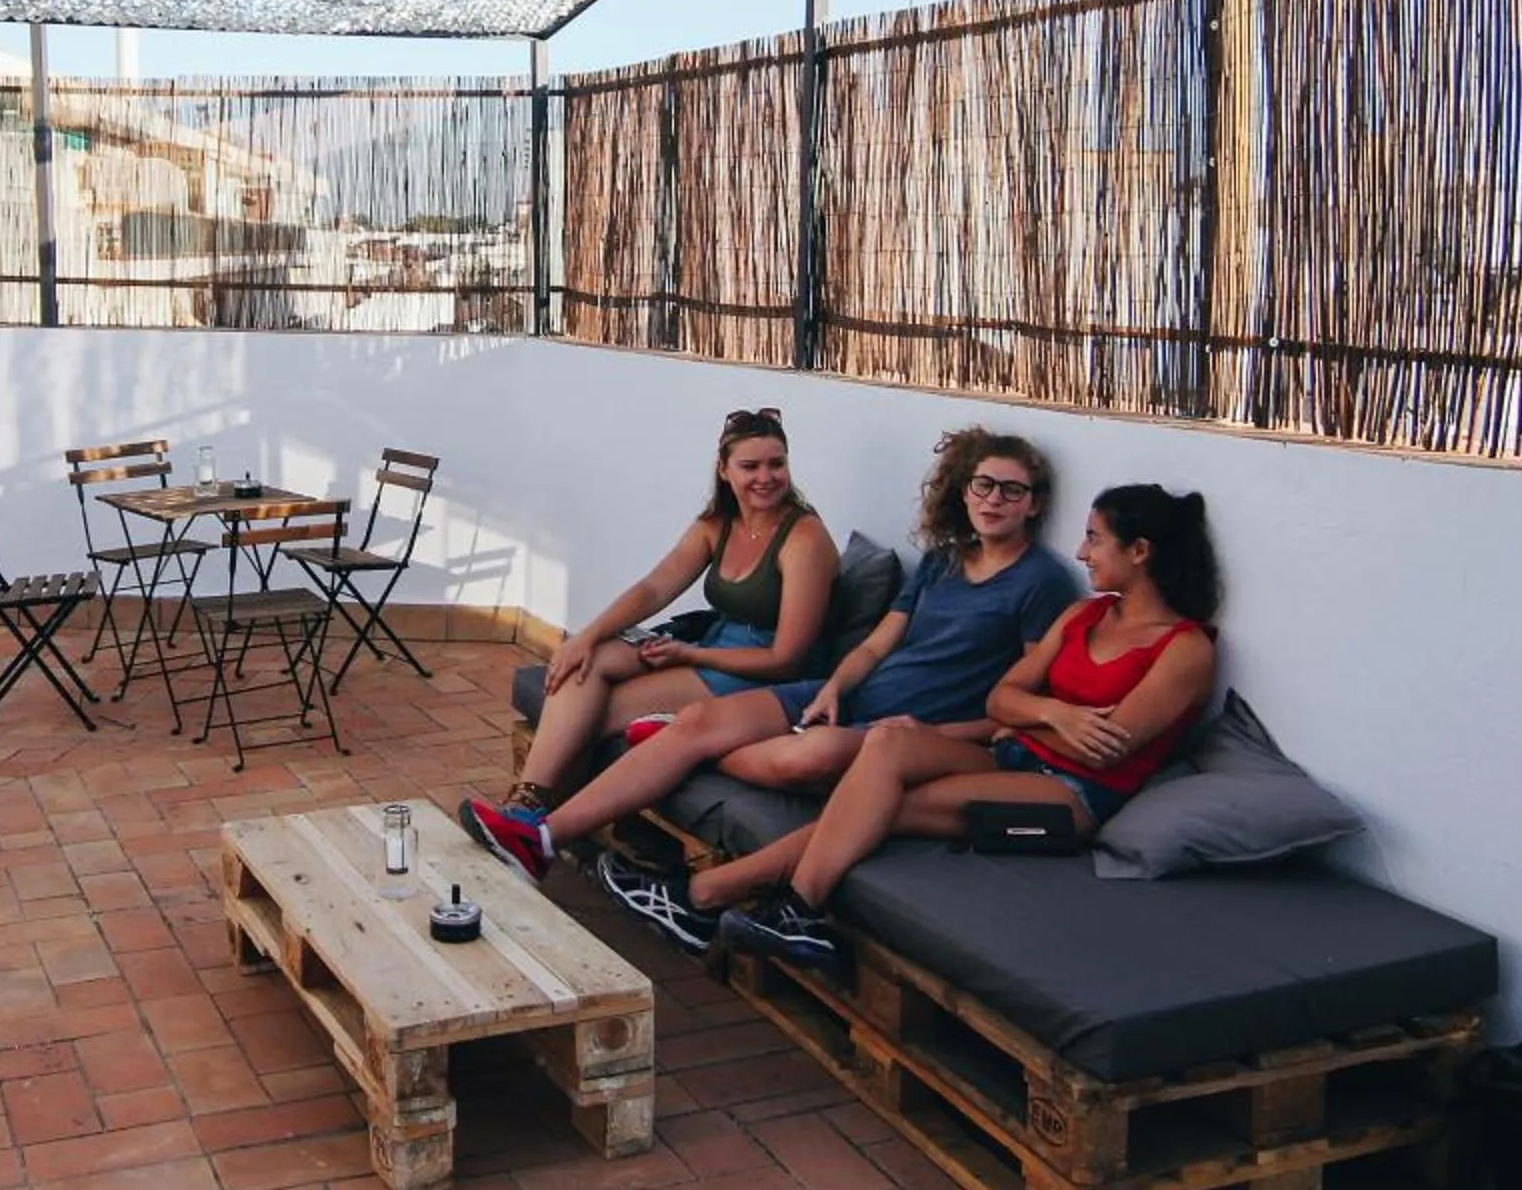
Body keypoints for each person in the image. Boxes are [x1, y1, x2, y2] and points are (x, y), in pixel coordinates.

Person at [461, 428, 1077, 905]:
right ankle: (537, 837)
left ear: (1035, 504)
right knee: (688, 720)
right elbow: (873, 649)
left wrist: (937, 736)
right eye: (983, 486)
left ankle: (667, 741)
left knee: (795, 755)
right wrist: (835, 686)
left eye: (1011, 490)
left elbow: (1015, 699)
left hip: (907, 729)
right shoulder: (944, 562)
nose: (993, 500)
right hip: (843, 697)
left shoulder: (1041, 583)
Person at [668, 484, 1222, 973]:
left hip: (1070, 798)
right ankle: (745, 904)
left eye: (1095, 539)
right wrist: (1053, 714)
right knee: (888, 741)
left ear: (1140, 552)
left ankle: (766, 904)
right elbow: (1001, 697)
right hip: (1013, 755)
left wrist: (1024, 723)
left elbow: (1105, 750)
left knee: (886, 808)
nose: (1082, 552)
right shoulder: (1086, 616)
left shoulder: (1185, 649)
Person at [495, 407, 839, 816]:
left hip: (758, 675)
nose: (765, 478)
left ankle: (533, 823)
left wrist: (688, 654)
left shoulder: (804, 538)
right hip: (715, 644)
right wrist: (584, 637)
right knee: (588, 661)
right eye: (750, 466)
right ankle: (526, 807)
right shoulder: (717, 525)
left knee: (593, 714)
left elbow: (786, 660)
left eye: (776, 464)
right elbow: (654, 588)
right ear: (724, 470)